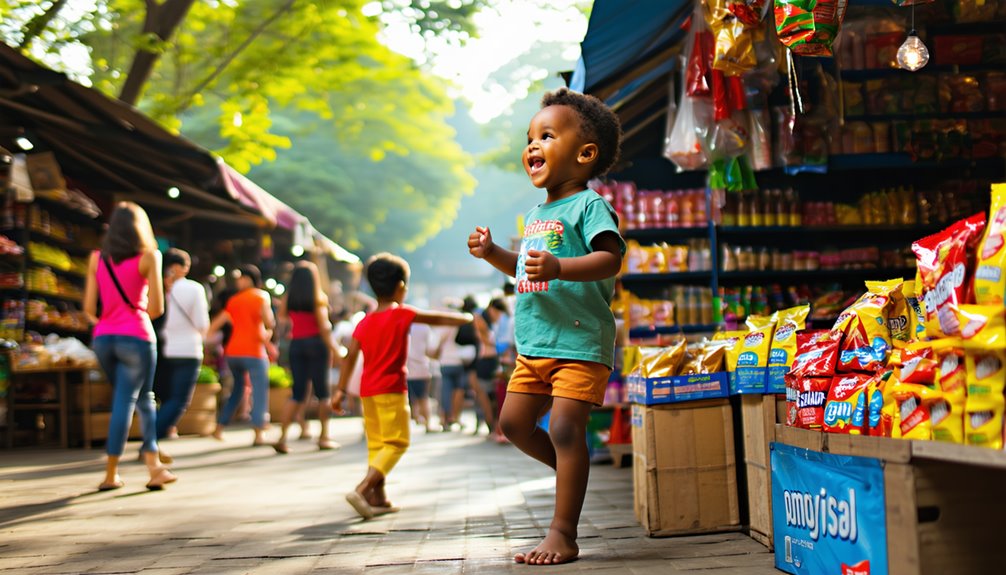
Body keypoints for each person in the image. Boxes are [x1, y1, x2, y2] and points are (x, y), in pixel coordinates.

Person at [467, 87, 624, 565]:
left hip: (578, 340)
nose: (532, 146)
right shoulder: (537, 214)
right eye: (530, 137)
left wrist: (559, 268)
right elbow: (524, 269)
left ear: (585, 153)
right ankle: (571, 474)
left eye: (547, 136)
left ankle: (563, 531)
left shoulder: (588, 206)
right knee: (513, 424)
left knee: (562, 427)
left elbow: (609, 259)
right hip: (535, 346)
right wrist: (495, 254)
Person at [332, 253, 473, 520]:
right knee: (397, 442)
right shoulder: (402, 314)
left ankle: (379, 497)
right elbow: (439, 319)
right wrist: (466, 318)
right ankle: (363, 489)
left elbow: (349, 357)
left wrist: (340, 391)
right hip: (392, 389)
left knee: (377, 444)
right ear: (400, 288)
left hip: (367, 392)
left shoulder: (364, 321)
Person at [83, 201, 176, 491]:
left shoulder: (96, 258)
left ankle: (143, 468)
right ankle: (125, 472)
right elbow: (157, 308)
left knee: (131, 398)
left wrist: (107, 321)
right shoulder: (149, 256)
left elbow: (88, 309)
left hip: (103, 338)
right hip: (136, 335)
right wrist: (132, 316)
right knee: (136, 399)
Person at [273, 261, 339, 454]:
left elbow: (282, 318)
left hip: (297, 345)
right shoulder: (318, 298)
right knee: (323, 393)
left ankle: (282, 437)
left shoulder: (289, 297)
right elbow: (324, 327)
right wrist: (335, 349)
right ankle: (324, 436)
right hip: (317, 345)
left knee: (297, 393)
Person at [208, 265, 276, 446]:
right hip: (254, 351)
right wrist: (268, 332)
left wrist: (206, 338)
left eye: (241, 278)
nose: (238, 281)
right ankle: (259, 433)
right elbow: (269, 321)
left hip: (233, 352)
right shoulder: (261, 296)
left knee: (237, 390)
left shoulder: (234, 300)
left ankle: (219, 428)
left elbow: (217, 322)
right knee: (259, 391)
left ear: (248, 279)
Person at [154, 248, 210, 442]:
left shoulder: (156, 288)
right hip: (188, 350)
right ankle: (150, 440)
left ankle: (152, 441)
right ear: (176, 267)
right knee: (178, 400)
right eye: (185, 265)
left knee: (165, 397)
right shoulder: (193, 288)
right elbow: (202, 324)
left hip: (161, 349)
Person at [405, 322, 438, 432]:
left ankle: (417, 419)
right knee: (423, 397)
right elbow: (431, 348)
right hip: (422, 367)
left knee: (408, 400)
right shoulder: (425, 327)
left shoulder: (405, 326)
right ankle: (427, 423)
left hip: (406, 368)